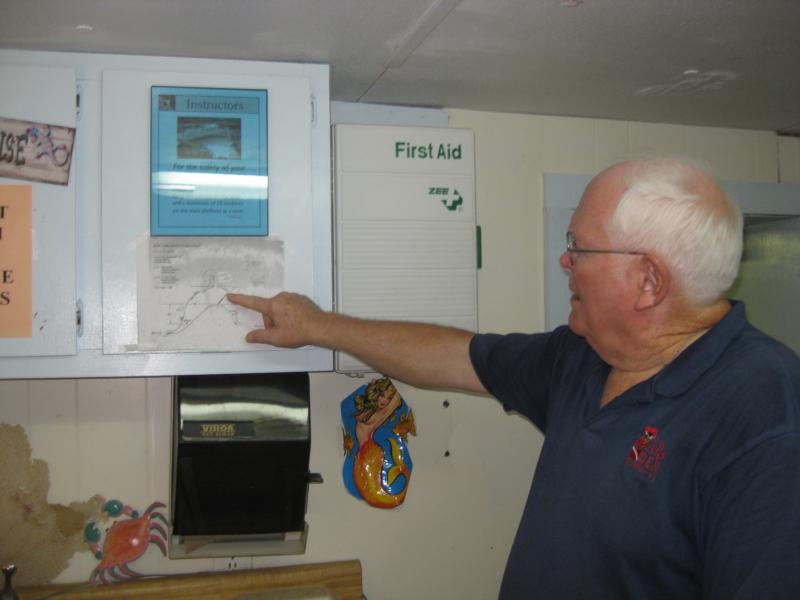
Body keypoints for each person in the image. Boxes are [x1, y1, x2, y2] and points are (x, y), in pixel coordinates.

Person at [228, 157, 800, 599]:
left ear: (649, 280)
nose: (564, 262)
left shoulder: (763, 414)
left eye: (578, 247)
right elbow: (454, 357)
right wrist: (316, 325)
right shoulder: (583, 355)